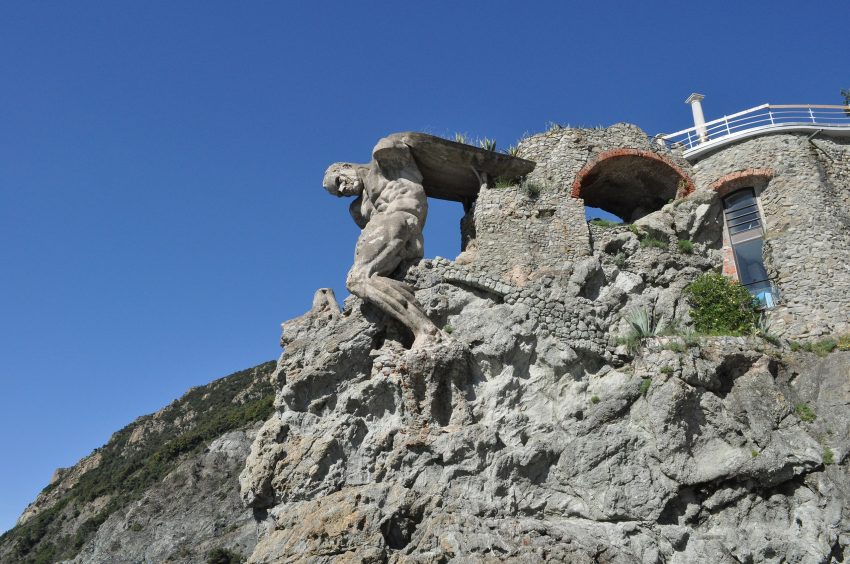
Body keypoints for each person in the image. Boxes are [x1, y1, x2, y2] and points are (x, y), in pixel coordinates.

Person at [323, 137, 441, 347]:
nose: (342, 191)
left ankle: (425, 329)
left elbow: (393, 145)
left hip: (398, 218)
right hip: (397, 233)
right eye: (338, 194)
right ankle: (410, 305)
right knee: (364, 278)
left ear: (346, 167)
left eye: (339, 181)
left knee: (357, 279)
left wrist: (386, 148)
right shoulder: (358, 208)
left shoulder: (380, 165)